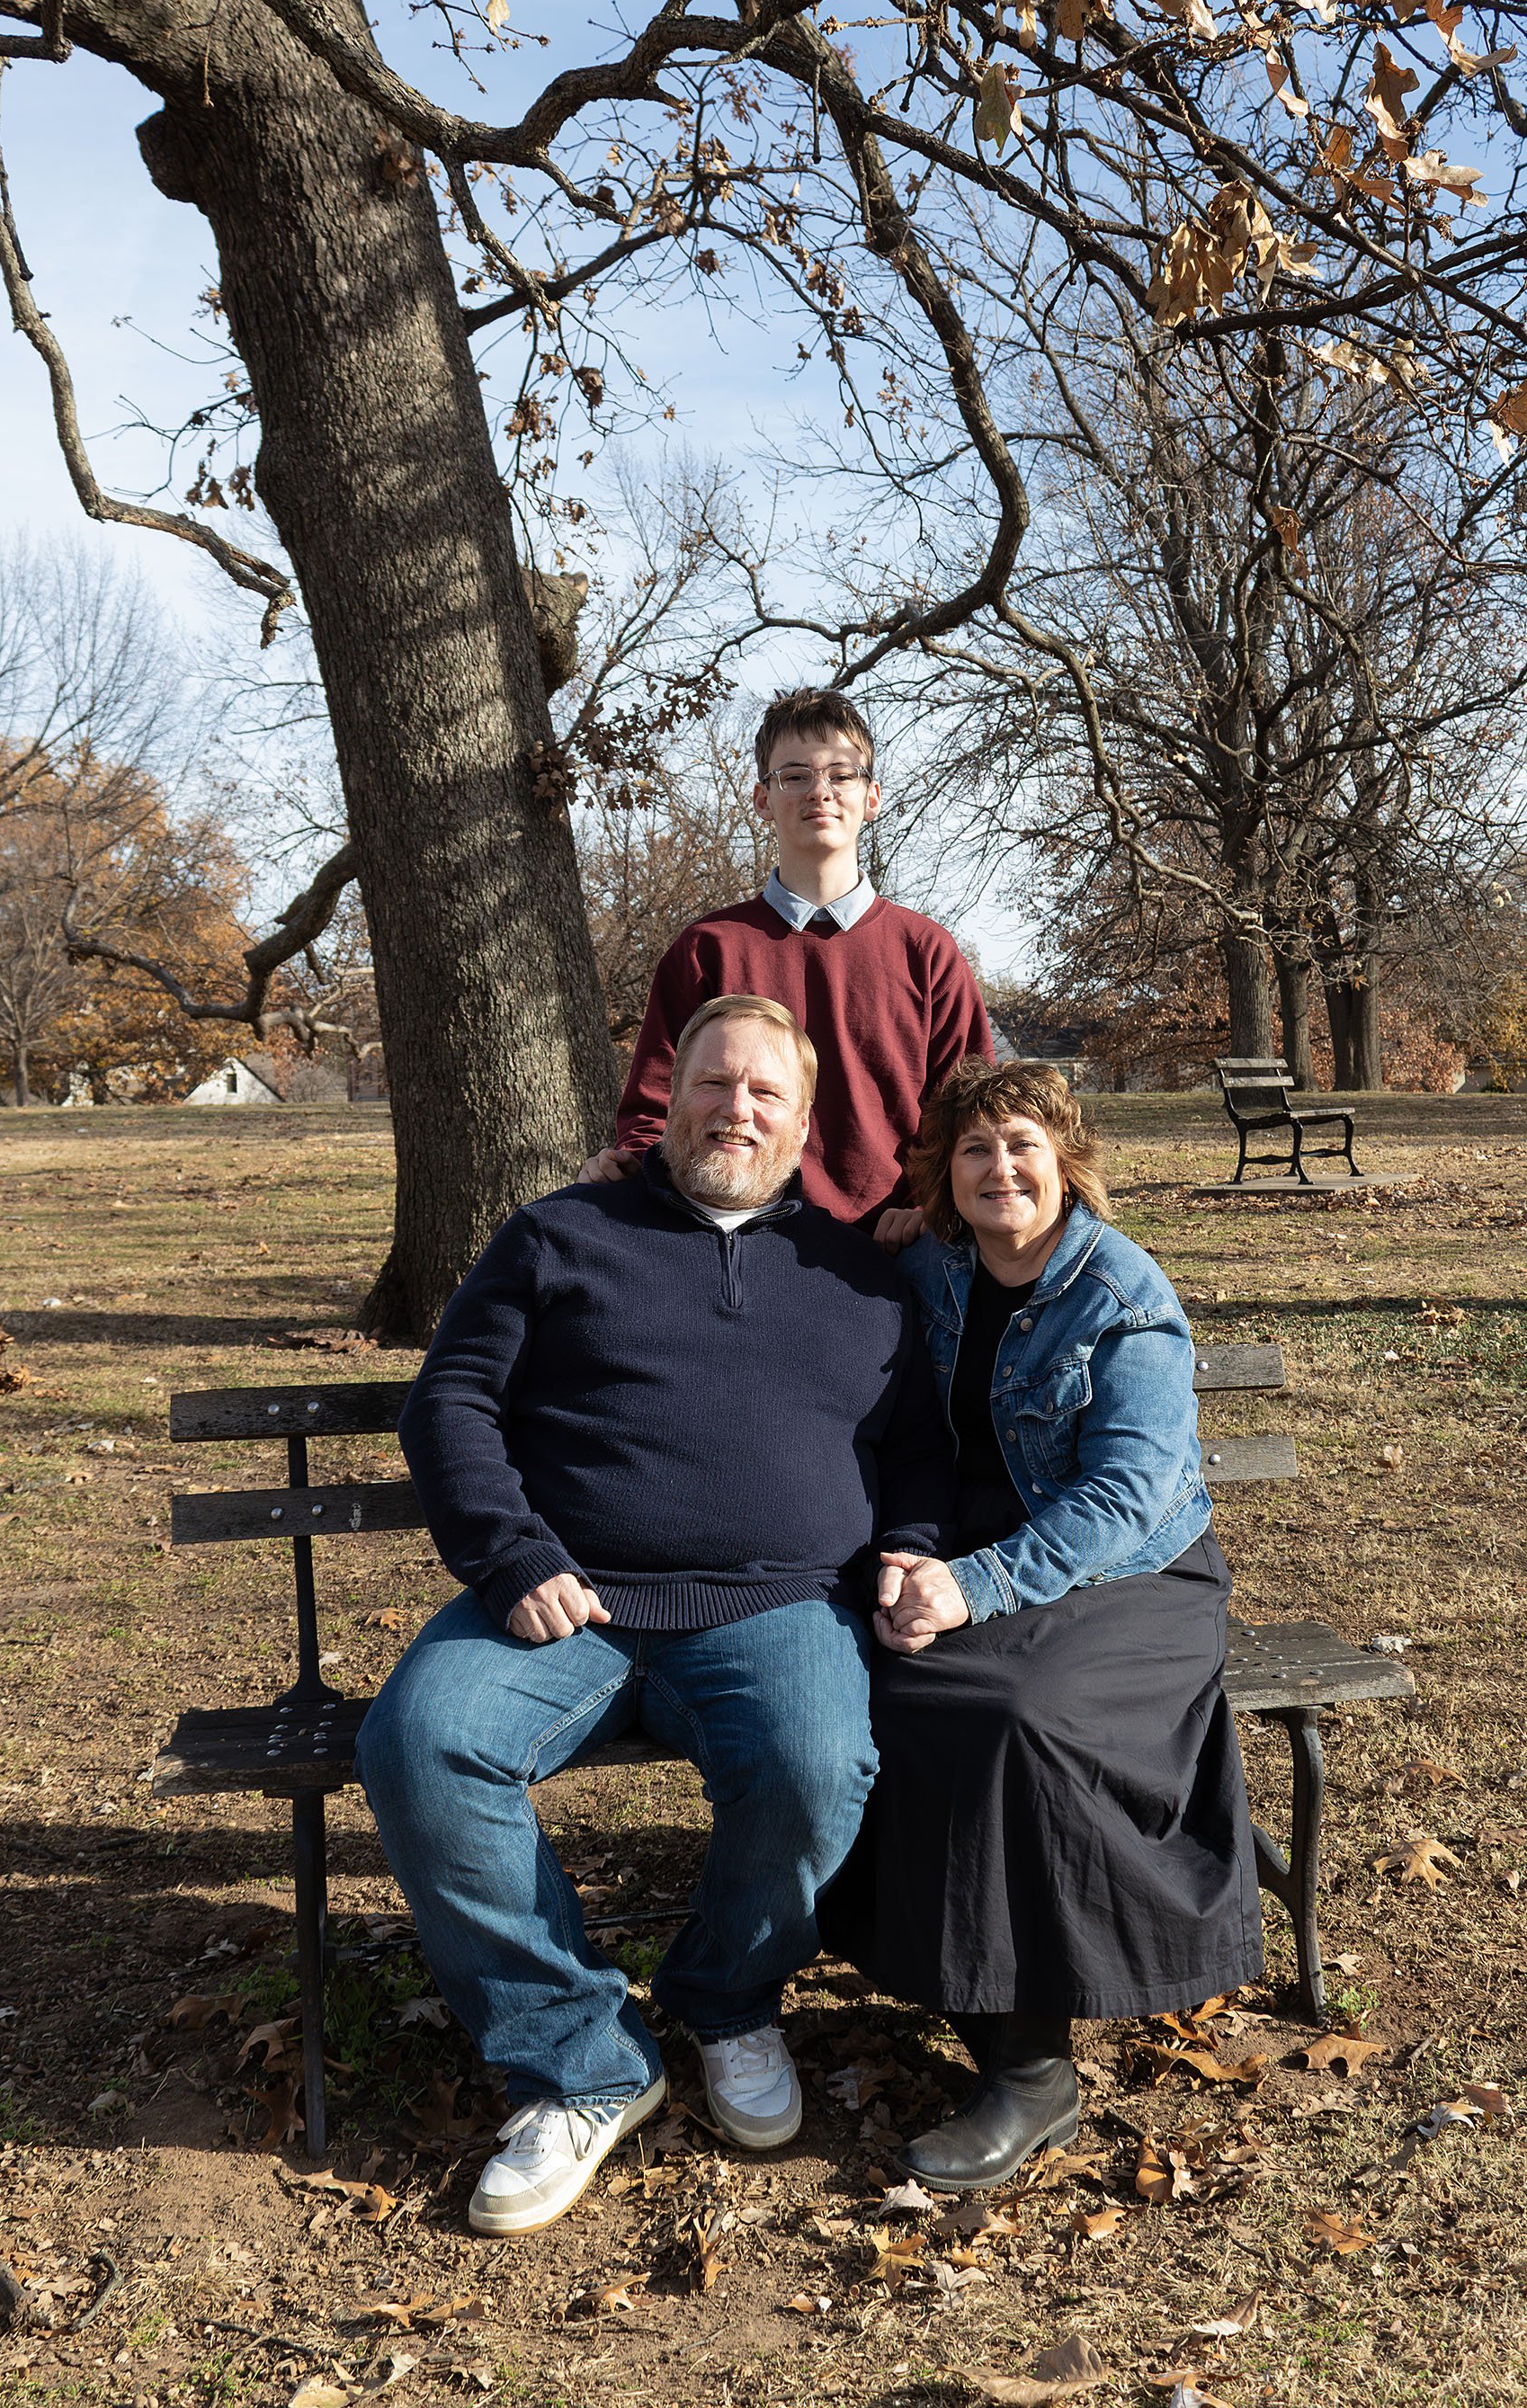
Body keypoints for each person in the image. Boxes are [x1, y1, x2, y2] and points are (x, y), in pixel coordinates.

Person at [357, 994, 953, 2235]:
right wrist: (511, 1557)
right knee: (421, 1743)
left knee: (816, 1762)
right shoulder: (558, 1235)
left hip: (772, 1605)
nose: (736, 1109)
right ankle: (581, 2061)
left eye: (765, 1093)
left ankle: (728, 2003)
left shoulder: (859, 1273)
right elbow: (451, 1401)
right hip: (566, 1602)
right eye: (713, 1084)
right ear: (666, 1097)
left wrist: (913, 1541)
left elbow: (916, 1452)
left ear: (802, 1122)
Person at [826, 1058, 1263, 2193]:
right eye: (975, 1150)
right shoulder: (938, 1262)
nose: (999, 1167)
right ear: (945, 1174)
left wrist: (972, 1588)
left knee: (1015, 1714)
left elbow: (1124, 1501)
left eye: (1022, 1146)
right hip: (971, 1557)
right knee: (866, 1672)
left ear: (1066, 1164)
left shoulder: (1122, 1296)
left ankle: (1032, 2068)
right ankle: (923, 1969)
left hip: (1130, 1575)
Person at [577, 686, 993, 1249]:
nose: (819, 791)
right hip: (731, 1243)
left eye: (841, 775)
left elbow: (970, 1111)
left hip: (892, 1250)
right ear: (762, 798)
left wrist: (927, 1204)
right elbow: (656, 1108)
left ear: (872, 797)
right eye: (794, 775)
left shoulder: (927, 952)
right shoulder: (708, 949)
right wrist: (630, 1168)